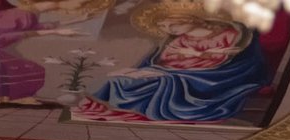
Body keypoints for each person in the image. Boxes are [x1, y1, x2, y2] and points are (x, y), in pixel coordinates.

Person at [76, 3, 267, 123]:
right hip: (176, 70)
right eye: (165, 27)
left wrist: (195, 54)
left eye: (174, 25)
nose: (170, 30)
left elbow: (226, 58)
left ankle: (154, 80)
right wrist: (170, 62)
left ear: (191, 18)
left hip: (211, 75)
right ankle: (122, 99)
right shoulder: (178, 40)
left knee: (166, 79)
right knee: (119, 80)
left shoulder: (227, 33)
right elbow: (166, 59)